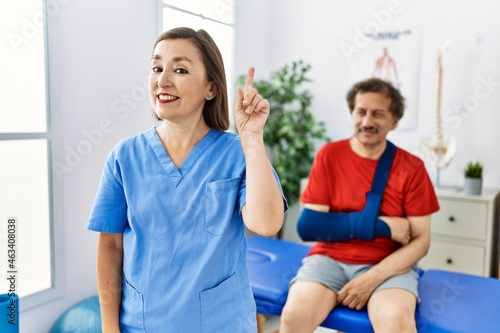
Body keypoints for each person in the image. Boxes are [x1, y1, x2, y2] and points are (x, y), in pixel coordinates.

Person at [86, 27, 287, 332]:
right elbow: (111, 247)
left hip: (222, 323)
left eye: (179, 69)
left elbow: (267, 223)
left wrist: (253, 139)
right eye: (156, 68)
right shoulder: (125, 156)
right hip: (142, 324)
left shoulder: (238, 153)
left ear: (211, 88)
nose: (162, 80)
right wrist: (109, 328)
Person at [277, 78, 439, 333]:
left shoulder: (412, 168)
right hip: (330, 258)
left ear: (394, 120)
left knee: (395, 321)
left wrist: (371, 279)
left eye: (378, 114)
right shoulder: (330, 155)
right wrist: (382, 226)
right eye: (360, 112)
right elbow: (309, 227)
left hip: (388, 263)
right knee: (294, 316)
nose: (366, 122)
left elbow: (421, 241)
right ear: (352, 113)